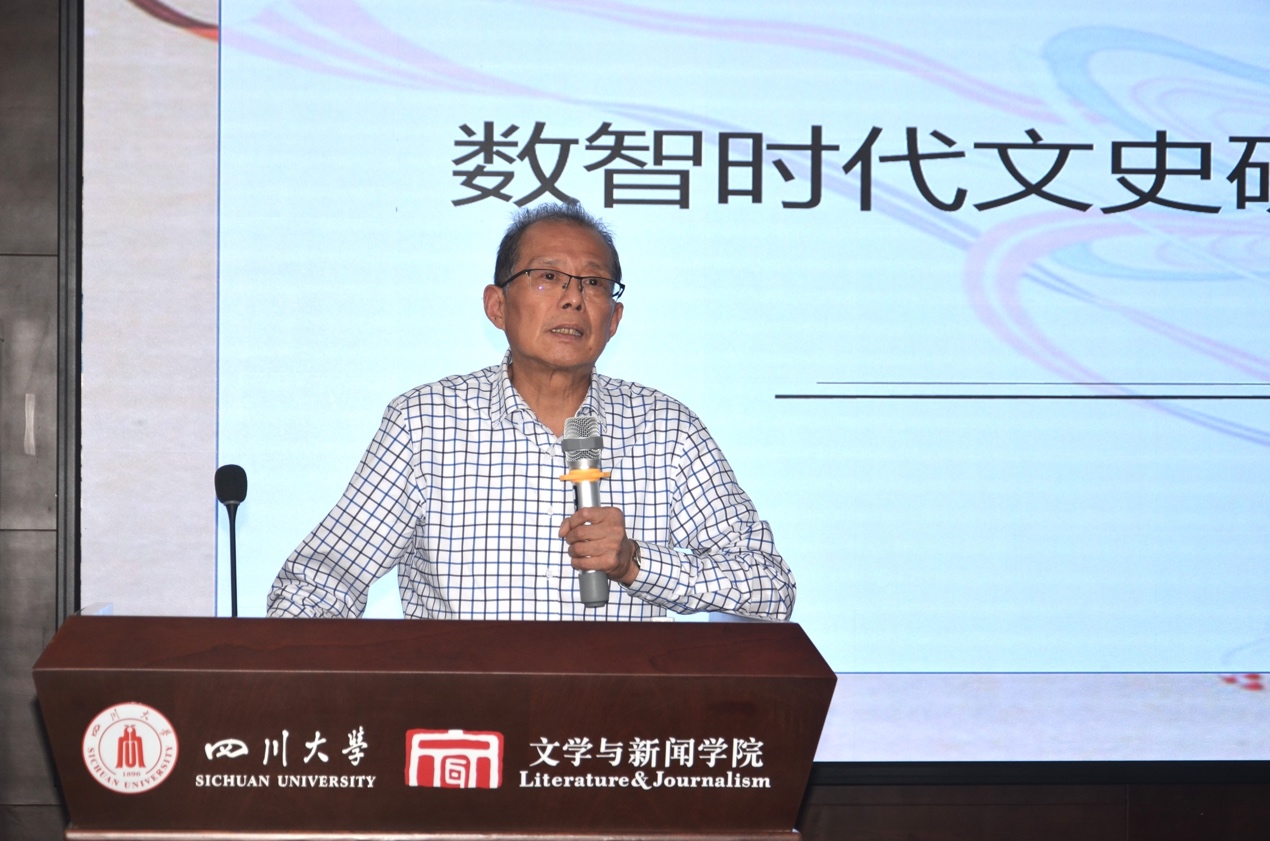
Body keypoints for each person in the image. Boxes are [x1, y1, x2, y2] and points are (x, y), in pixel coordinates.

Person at [267, 202, 794, 621]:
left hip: (616, 717)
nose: (573, 299)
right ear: (497, 306)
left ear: (614, 319)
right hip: (466, 720)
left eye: (593, 283)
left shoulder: (667, 430)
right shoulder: (425, 422)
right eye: (547, 277)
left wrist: (637, 563)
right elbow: (322, 581)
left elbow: (770, 588)